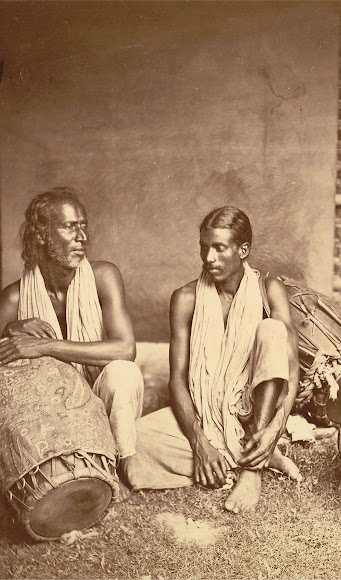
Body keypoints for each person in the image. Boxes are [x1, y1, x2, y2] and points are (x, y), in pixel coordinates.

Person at [123, 206, 301, 513]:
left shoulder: (268, 288)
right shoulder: (186, 299)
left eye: (219, 248)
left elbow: (292, 369)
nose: (209, 258)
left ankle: (252, 469)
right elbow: (177, 378)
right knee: (130, 445)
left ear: (243, 250)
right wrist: (199, 442)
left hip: (252, 413)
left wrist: (274, 430)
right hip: (207, 415)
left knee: (273, 330)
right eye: (204, 248)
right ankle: (248, 454)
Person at [0, 187, 144, 466]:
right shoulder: (12, 301)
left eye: (83, 227)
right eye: (69, 228)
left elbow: (126, 348)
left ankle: (123, 465)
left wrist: (44, 346)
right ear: (41, 235)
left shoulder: (103, 277)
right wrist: (7, 332)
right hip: (49, 414)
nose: (82, 237)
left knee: (124, 372)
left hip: (100, 401)